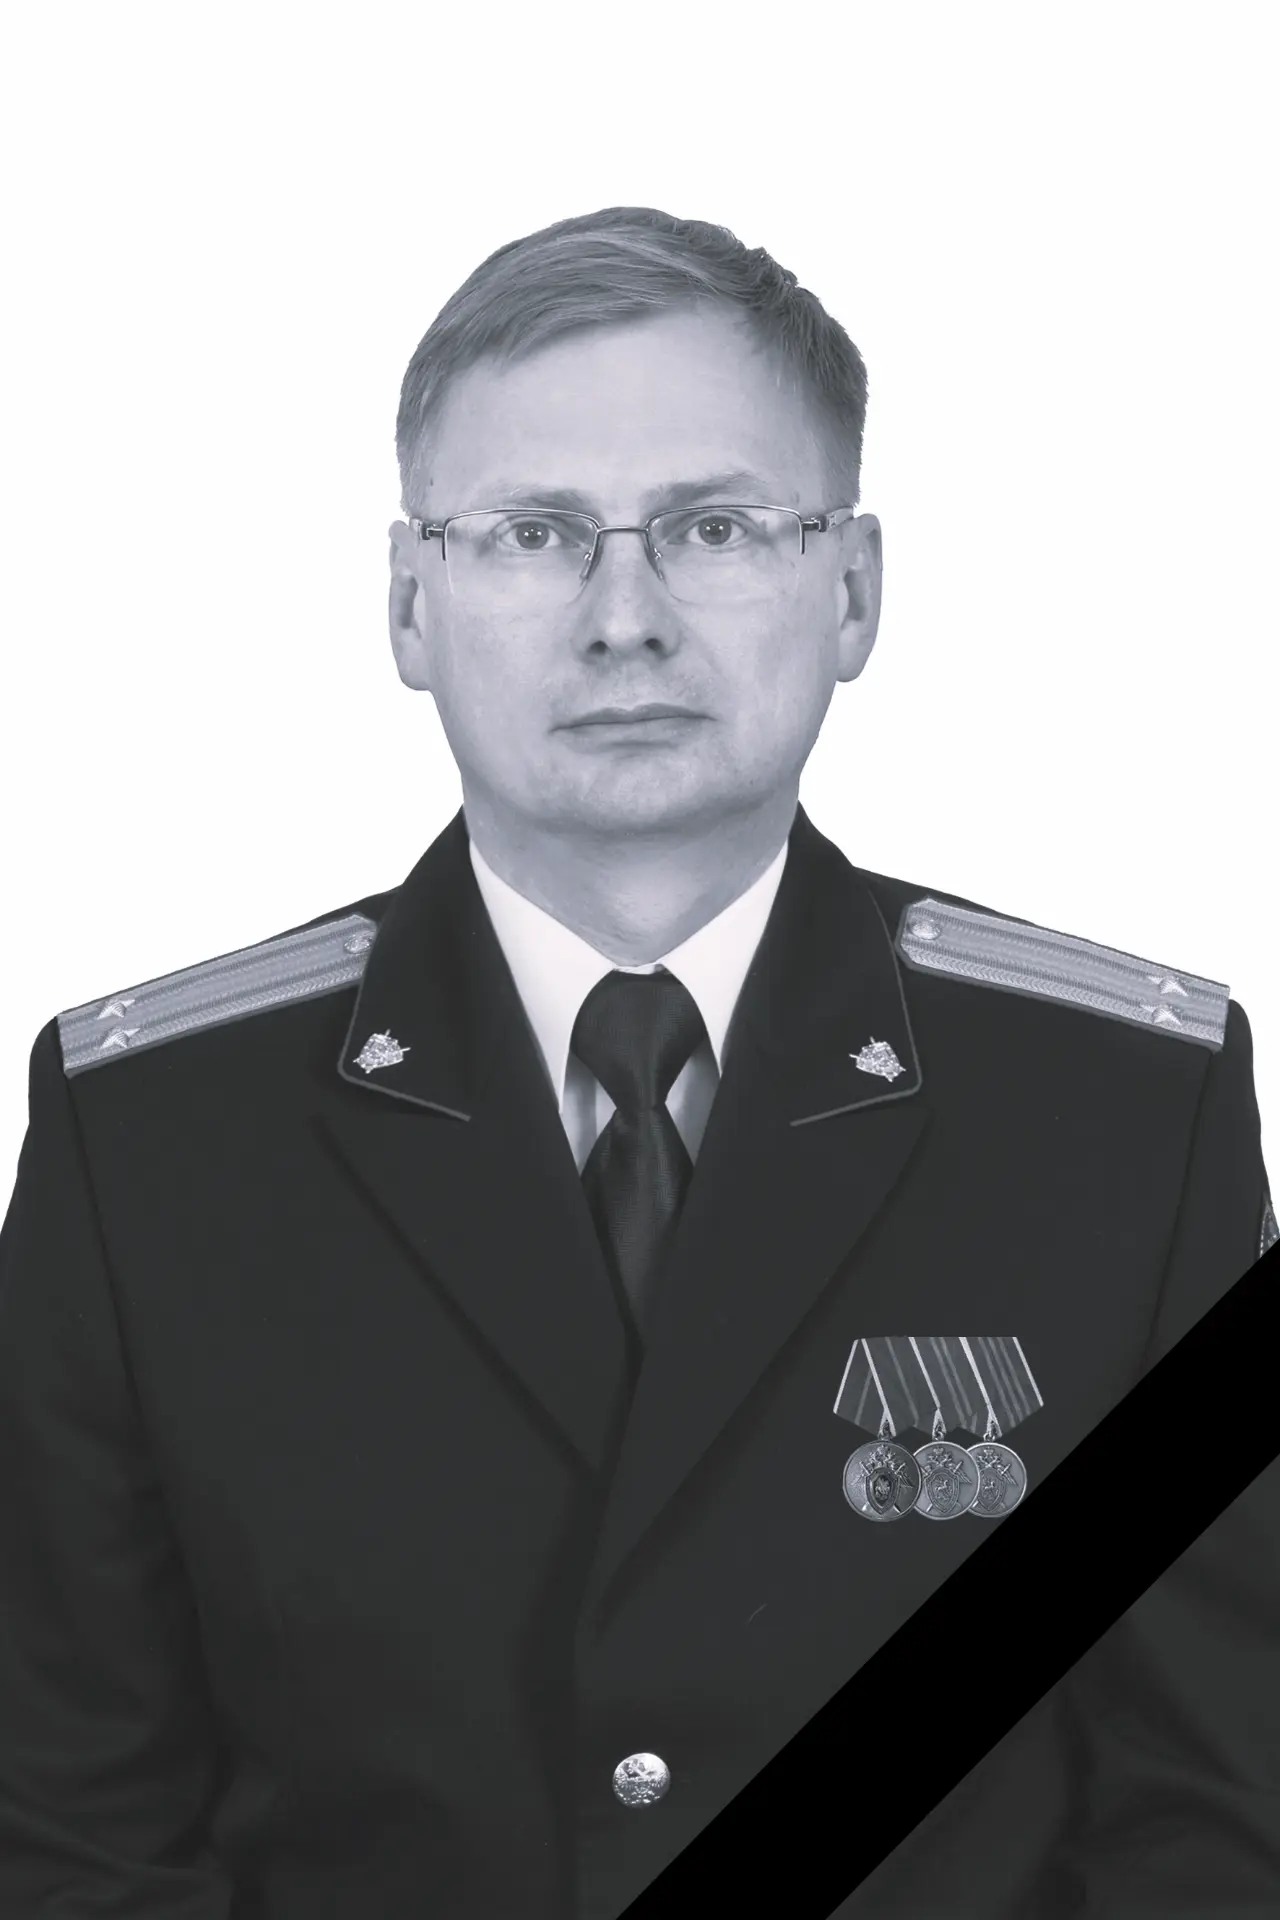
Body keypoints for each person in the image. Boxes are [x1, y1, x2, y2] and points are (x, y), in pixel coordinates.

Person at [0, 205, 1275, 1920]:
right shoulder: (154, 1138)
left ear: (853, 591)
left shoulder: (1123, 1116)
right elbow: (69, 1835)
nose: (625, 619)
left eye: (716, 528)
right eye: (532, 534)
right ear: (409, 605)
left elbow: (1222, 1816)